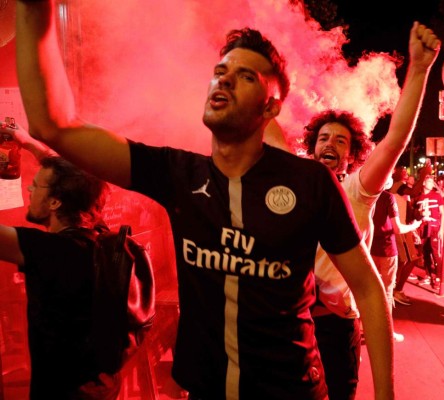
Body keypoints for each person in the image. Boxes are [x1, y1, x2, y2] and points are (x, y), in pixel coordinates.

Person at [16, 3, 396, 399]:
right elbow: (54, 125)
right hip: (204, 390)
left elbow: (368, 289)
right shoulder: (177, 172)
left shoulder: (311, 182)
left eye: (245, 76)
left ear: (271, 107)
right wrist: (33, 10)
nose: (225, 81)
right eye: (220, 72)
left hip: (290, 391)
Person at [298, 22, 440, 400]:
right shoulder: (295, 187)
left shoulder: (357, 190)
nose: (330, 143)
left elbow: (395, 140)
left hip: (335, 328)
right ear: (312, 147)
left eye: (340, 140)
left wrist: (420, 71)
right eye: (323, 137)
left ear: (351, 155)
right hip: (294, 326)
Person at [0, 123, 119, 398]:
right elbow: (80, 180)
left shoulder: (52, 252)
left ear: (55, 203)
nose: (29, 189)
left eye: (37, 186)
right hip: (99, 388)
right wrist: (27, 142)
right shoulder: (97, 236)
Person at [370, 182, 421, 341]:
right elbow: (397, 228)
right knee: (386, 291)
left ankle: (367, 327)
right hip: (386, 249)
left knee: (369, 290)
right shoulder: (388, 197)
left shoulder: (366, 194)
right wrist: (414, 226)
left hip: (368, 247)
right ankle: (386, 332)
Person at [413, 174, 444, 289]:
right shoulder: (418, 197)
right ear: (424, 183)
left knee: (435, 251)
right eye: (429, 182)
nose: (431, 184)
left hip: (434, 226)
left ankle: (438, 277)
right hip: (423, 227)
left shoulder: (437, 196)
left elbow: (442, 212)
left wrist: (441, 229)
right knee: (425, 251)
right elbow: (416, 213)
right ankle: (427, 274)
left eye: (432, 182)